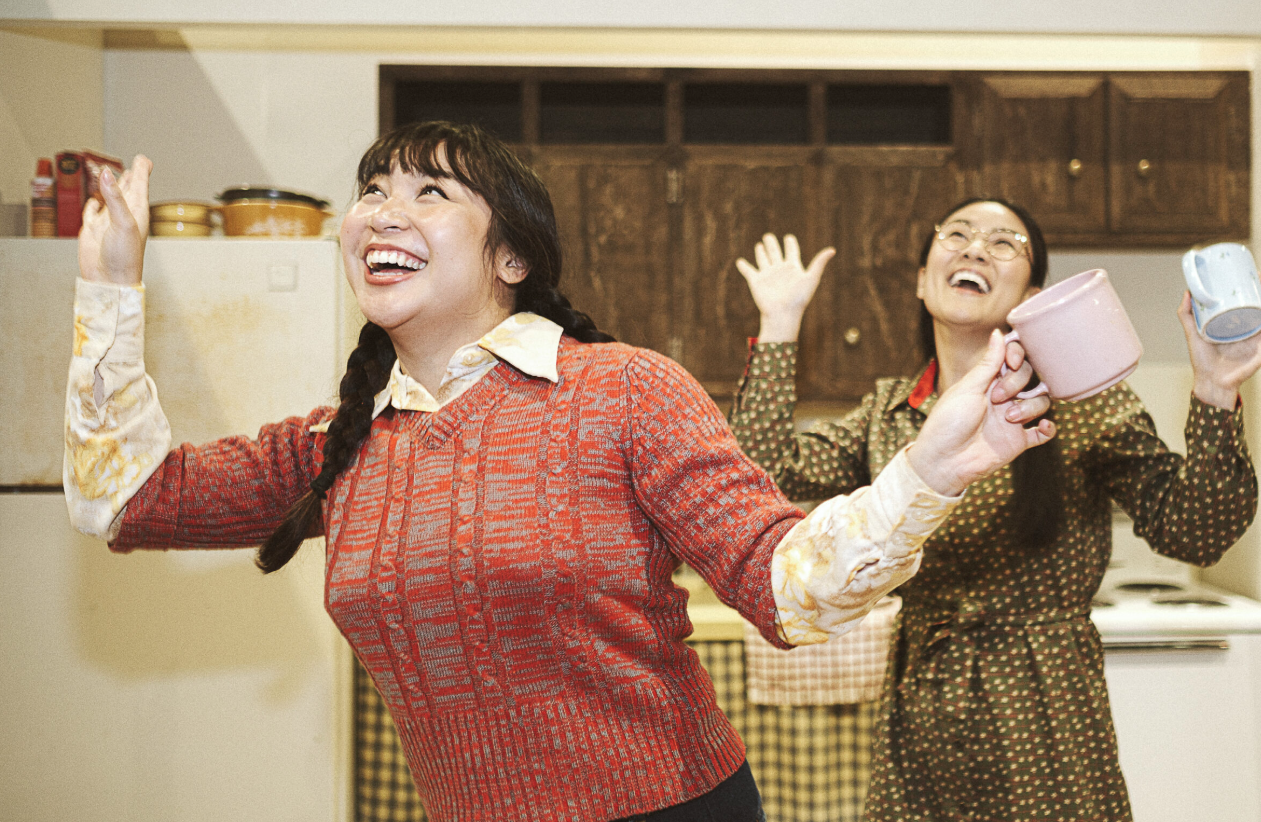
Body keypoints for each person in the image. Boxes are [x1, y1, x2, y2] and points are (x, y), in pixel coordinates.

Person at [63, 125, 1056, 822]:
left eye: (428, 192)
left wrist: (927, 469)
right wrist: (108, 285)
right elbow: (124, 495)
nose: (381, 211)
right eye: (373, 190)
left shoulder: (623, 390)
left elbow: (784, 588)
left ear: (510, 257)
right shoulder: (346, 440)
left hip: (671, 810)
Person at [730, 199, 1261, 822]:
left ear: (1032, 294)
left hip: (1048, 713)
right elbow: (758, 481)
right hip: (922, 711)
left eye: (1005, 242)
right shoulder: (889, 415)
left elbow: (1197, 532)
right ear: (924, 280)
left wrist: (1216, 392)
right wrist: (781, 323)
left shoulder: (1081, 402)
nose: (976, 247)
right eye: (956, 234)